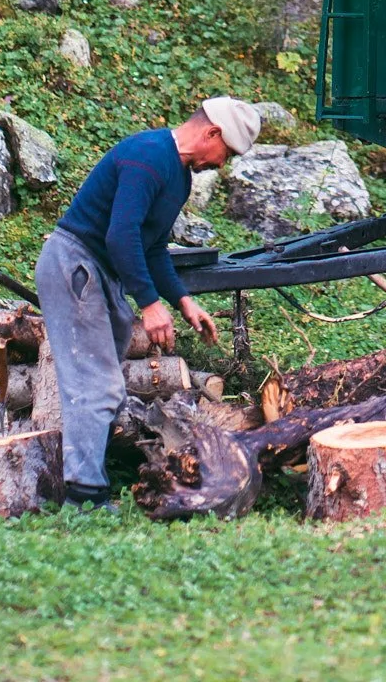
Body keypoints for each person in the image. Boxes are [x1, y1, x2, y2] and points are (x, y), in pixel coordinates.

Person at [33, 97, 262, 506]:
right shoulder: (147, 157)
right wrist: (150, 305)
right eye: (225, 153)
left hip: (103, 273)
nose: (221, 164)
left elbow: (152, 246)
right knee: (94, 384)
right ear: (212, 133)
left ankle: (89, 480)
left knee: (107, 384)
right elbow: (120, 236)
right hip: (74, 264)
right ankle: (84, 495)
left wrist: (182, 300)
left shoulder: (180, 178)